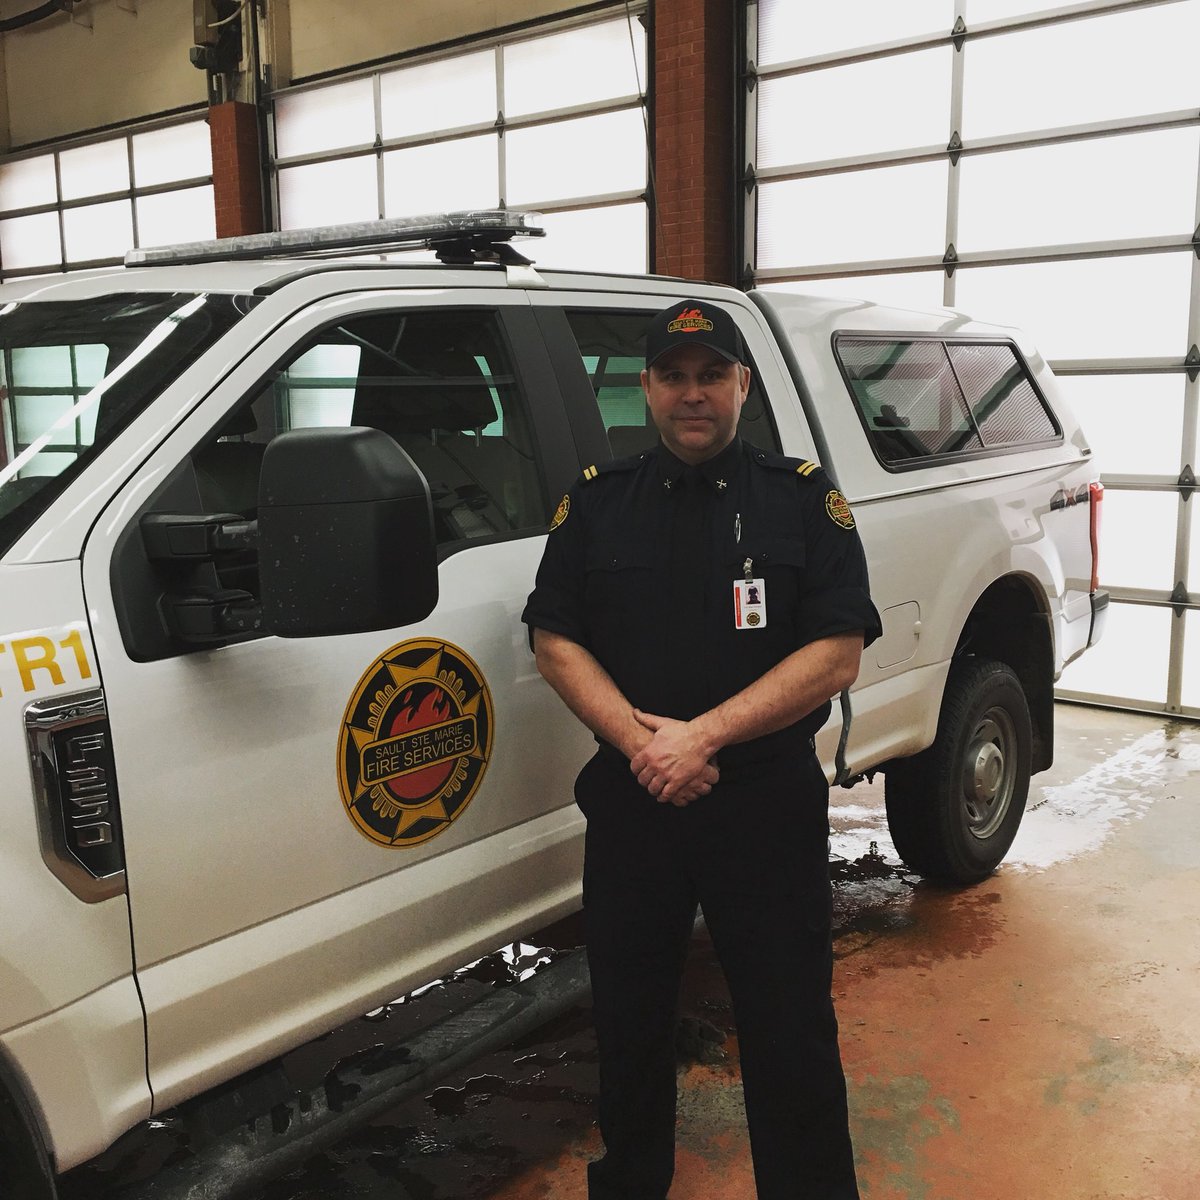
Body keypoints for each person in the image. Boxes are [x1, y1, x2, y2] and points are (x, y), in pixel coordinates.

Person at [521, 298, 882, 1200]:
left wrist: (704, 736)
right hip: (636, 802)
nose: (694, 394)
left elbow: (837, 650)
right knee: (628, 1021)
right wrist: (642, 746)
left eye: (712, 375)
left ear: (742, 385)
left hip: (763, 806)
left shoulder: (802, 500)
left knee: (790, 1025)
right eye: (674, 377)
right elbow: (554, 639)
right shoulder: (596, 502)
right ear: (646, 388)